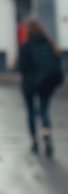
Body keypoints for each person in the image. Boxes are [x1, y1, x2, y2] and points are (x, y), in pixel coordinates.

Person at [17, 19, 64, 157]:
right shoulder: (49, 43)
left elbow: (21, 68)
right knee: (44, 110)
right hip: (45, 82)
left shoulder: (25, 46)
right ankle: (47, 134)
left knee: (31, 111)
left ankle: (34, 141)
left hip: (29, 84)